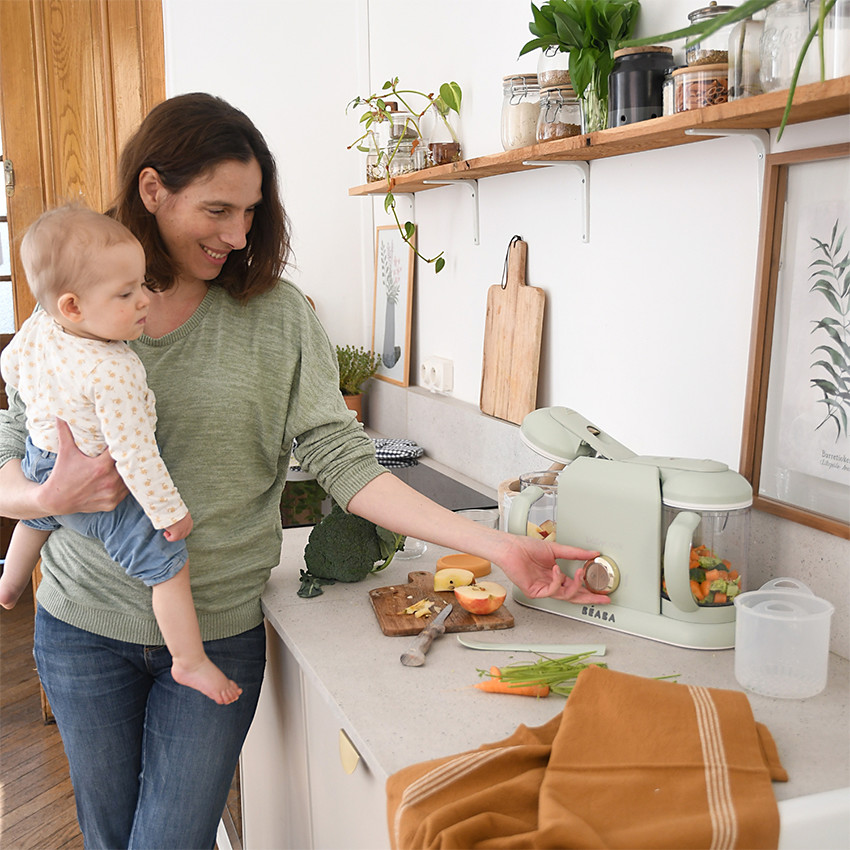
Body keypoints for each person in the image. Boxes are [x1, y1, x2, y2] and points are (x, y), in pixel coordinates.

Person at [0, 93, 606, 850]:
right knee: (106, 836)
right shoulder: (71, 309)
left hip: (217, 630)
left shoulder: (278, 316)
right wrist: (43, 496)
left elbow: (345, 461)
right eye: (218, 210)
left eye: (250, 212)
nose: (237, 234)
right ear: (153, 191)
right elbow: (10, 454)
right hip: (81, 626)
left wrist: (500, 548)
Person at [0, 205, 242, 707]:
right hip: (100, 488)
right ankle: (190, 660)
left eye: (143, 286)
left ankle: (10, 581)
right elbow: (136, 457)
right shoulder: (115, 370)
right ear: (73, 306)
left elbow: (12, 364)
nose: (145, 302)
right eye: (126, 293)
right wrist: (169, 513)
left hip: (44, 458)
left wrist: (40, 396)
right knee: (169, 568)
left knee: (42, 514)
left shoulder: (43, 325)